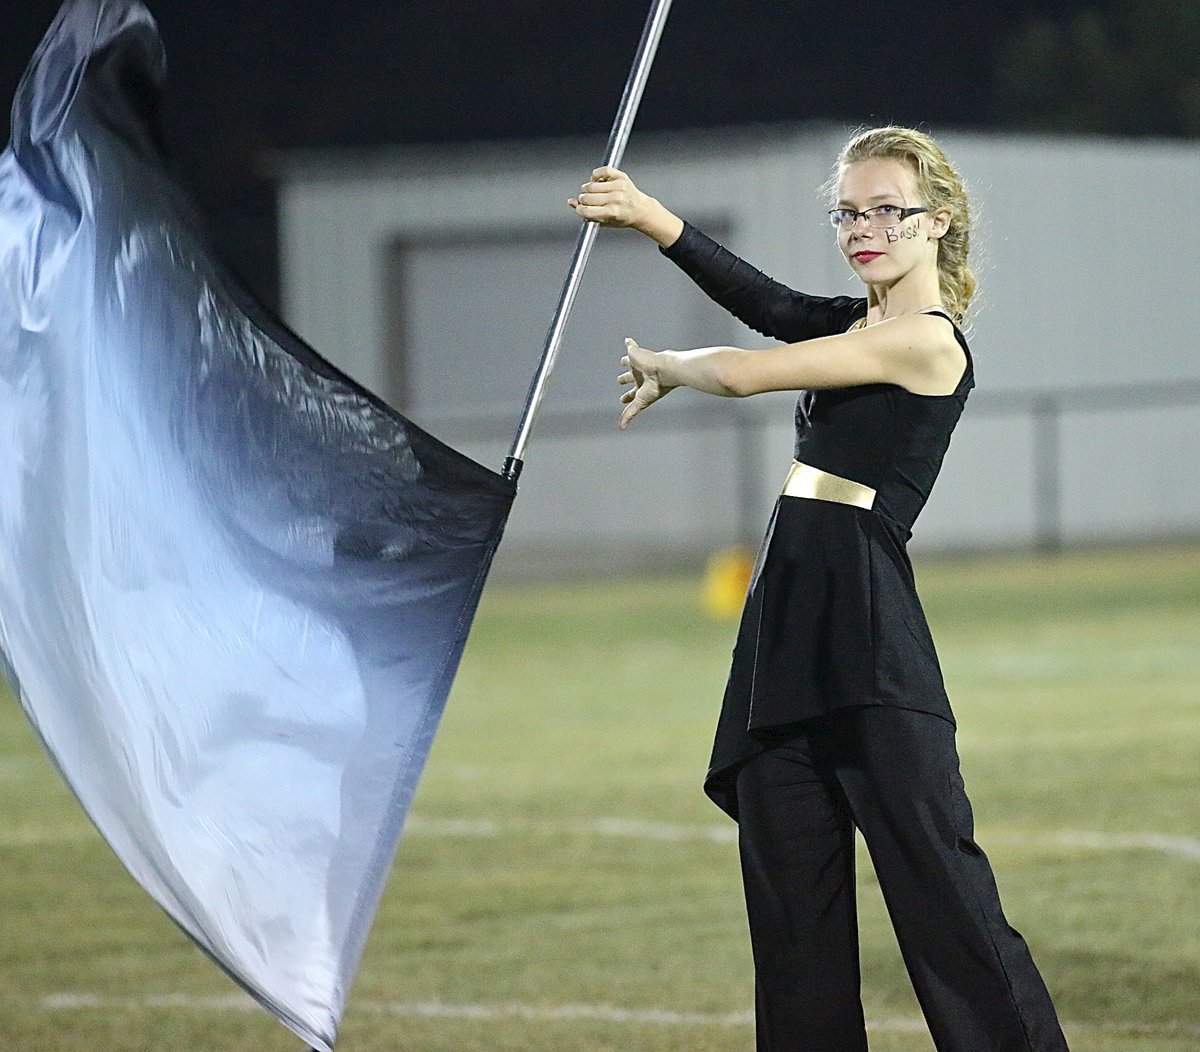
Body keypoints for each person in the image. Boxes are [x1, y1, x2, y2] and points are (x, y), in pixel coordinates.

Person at [569, 126, 1069, 1051]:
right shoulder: (858, 324)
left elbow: (753, 370)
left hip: (869, 637)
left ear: (939, 222)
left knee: (945, 900)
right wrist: (646, 215)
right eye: (847, 211)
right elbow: (763, 299)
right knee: (792, 918)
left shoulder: (926, 342)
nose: (862, 228)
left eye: (886, 210)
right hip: (786, 627)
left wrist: (673, 365)